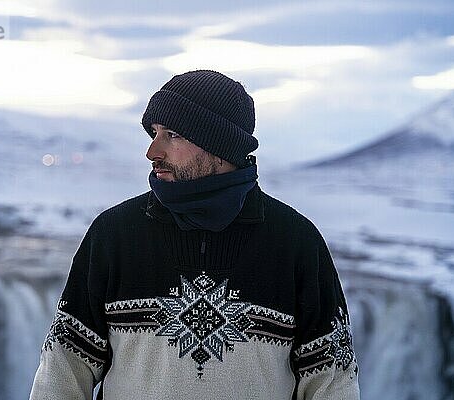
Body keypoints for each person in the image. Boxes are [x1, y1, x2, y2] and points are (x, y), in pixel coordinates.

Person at [29, 70, 360, 400]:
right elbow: (62, 373)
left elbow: (333, 384)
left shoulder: (295, 243)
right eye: (153, 133)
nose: (152, 151)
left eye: (172, 134)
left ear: (220, 147)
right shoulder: (114, 235)